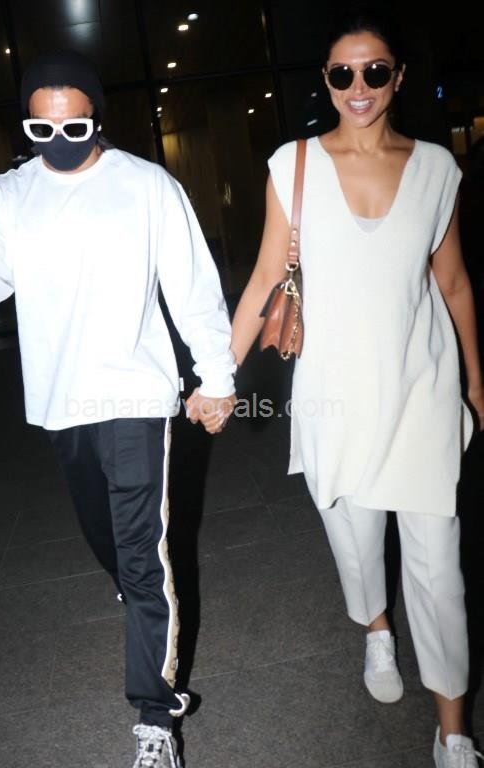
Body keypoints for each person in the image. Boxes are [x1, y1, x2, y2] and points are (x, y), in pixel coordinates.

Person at [0, 50, 236, 768]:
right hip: (62, 398)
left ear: (98, 119)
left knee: (142, 554)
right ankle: (142, 604)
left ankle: (154, 716)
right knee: (108, 542)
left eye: (74, 126)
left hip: (136, 392)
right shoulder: (10, 194)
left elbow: (192, 284)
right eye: (42, 129)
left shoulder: (147, 186)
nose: (58, 141)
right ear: (27, 125)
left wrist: (216, 376)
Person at [230, 8, 484, 768]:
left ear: (397, 77)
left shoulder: (436, 169)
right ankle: (376, 627)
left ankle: (453, 730)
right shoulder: (293, 165)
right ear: (327, 80)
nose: (358, 86)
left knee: (439, 569)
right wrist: (216, 377)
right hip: (334, 395)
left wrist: (475, 381)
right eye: (343, 73)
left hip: (421, 389)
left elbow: (453, 283)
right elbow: (263, 280)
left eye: (374, 70)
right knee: (356, 541)